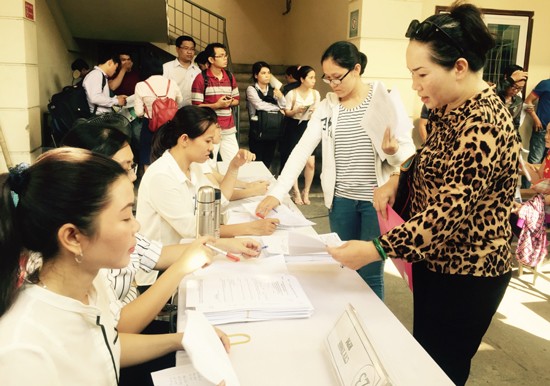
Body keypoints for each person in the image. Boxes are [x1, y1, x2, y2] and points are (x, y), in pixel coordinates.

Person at [327, 3, 521, 385]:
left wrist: (375, 249)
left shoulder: (483, 122)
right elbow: (428, 158)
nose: (415, 85)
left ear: (460, 67)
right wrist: (398, 178)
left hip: (468, 272)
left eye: (421, 74)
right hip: (436, 262)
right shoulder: (454, 109)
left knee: (439, 370)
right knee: (425, 360)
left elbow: (447, 212)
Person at [0, 148, 230, 385]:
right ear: (72, 237)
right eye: (125, 217)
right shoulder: (22, 351)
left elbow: (107, 344)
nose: (137, 225)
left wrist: (183, 339)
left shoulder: (91, 283)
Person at [256, 41, 415, 300]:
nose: (333, 84)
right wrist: (278, 191)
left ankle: (373, 330)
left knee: (371, 271)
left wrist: (392, 152)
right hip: (340, 202)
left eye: (337, 77)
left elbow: (407, 157)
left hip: (375, 203)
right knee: (343, 266)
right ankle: (350, 323)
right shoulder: (328, 107)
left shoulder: (383, 99)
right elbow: (301, 149)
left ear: (356, 69)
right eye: (327, 78)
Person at [137, 105, 279, 246]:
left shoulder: (193, 166)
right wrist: (251, 228)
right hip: (162, 262)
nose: (211, 148)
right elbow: (193, 230)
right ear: (184, 139)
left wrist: (234, 166)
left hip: (188, 250)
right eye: (207, 141)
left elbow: (219, 201)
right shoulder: (161, 176)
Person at [191, 43, 240, 161]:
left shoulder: (229, 76)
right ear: (211, 59)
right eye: (221, 56)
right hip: (209, 128)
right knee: (209, 163)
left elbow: (236, 100)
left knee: (233, 161)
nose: (225, 58)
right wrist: (216, 105)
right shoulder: (201, 78)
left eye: (225, 55)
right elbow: (196, 106)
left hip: (229, 127)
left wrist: (229, 102)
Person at [280, 65, 321, 205]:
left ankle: (306, 191)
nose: (314, 80)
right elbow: (286, 112)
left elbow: (318, 113)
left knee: (310, 162)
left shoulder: (315, 94)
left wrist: (313, 111)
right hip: (294, 127)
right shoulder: (292, 93)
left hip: (309, 127)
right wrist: (295, 110)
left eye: (314, 77)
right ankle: (296, 191)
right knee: (295, 160)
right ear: (302, 79)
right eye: (310, 77)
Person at [135, 56, 183, 170]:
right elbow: (180, 101)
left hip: (150, 125)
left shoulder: (141, 85)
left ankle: (149, 183)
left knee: (147, 155)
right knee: (170, 153)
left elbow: (138, 112)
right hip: (170, 124)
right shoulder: (172, 83)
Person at [246, 61, 286, 169]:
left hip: (272, 129)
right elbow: (259, 105)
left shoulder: (274, 90)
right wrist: (277, 108)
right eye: (263, 73)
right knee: (256, 160)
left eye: (268, 73)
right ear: (256, 75)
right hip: (257, 130)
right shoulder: (251, 89)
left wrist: (281, 96)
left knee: (268, 160)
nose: (267, 75)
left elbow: (284, 106)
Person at [163, 35, 201, 107]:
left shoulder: (198, 71)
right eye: (186, 48)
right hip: (172, 110)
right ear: (177, 49)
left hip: (192, 111)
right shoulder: (166, 68)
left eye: (192, 49)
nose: (189, 52)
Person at [525, 76, 550, 165]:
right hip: (542, 129)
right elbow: (528, 102)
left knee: (547, 164)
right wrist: (536, 119)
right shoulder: (546, 84)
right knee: (535, 162)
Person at [496, 64, 528, 134]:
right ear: (506, 78)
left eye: (520, 88)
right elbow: (496, 89)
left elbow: (516, 124)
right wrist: (510, 80)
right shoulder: (493, 95)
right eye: (514, 86)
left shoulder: (518, 101)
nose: (516, 91)